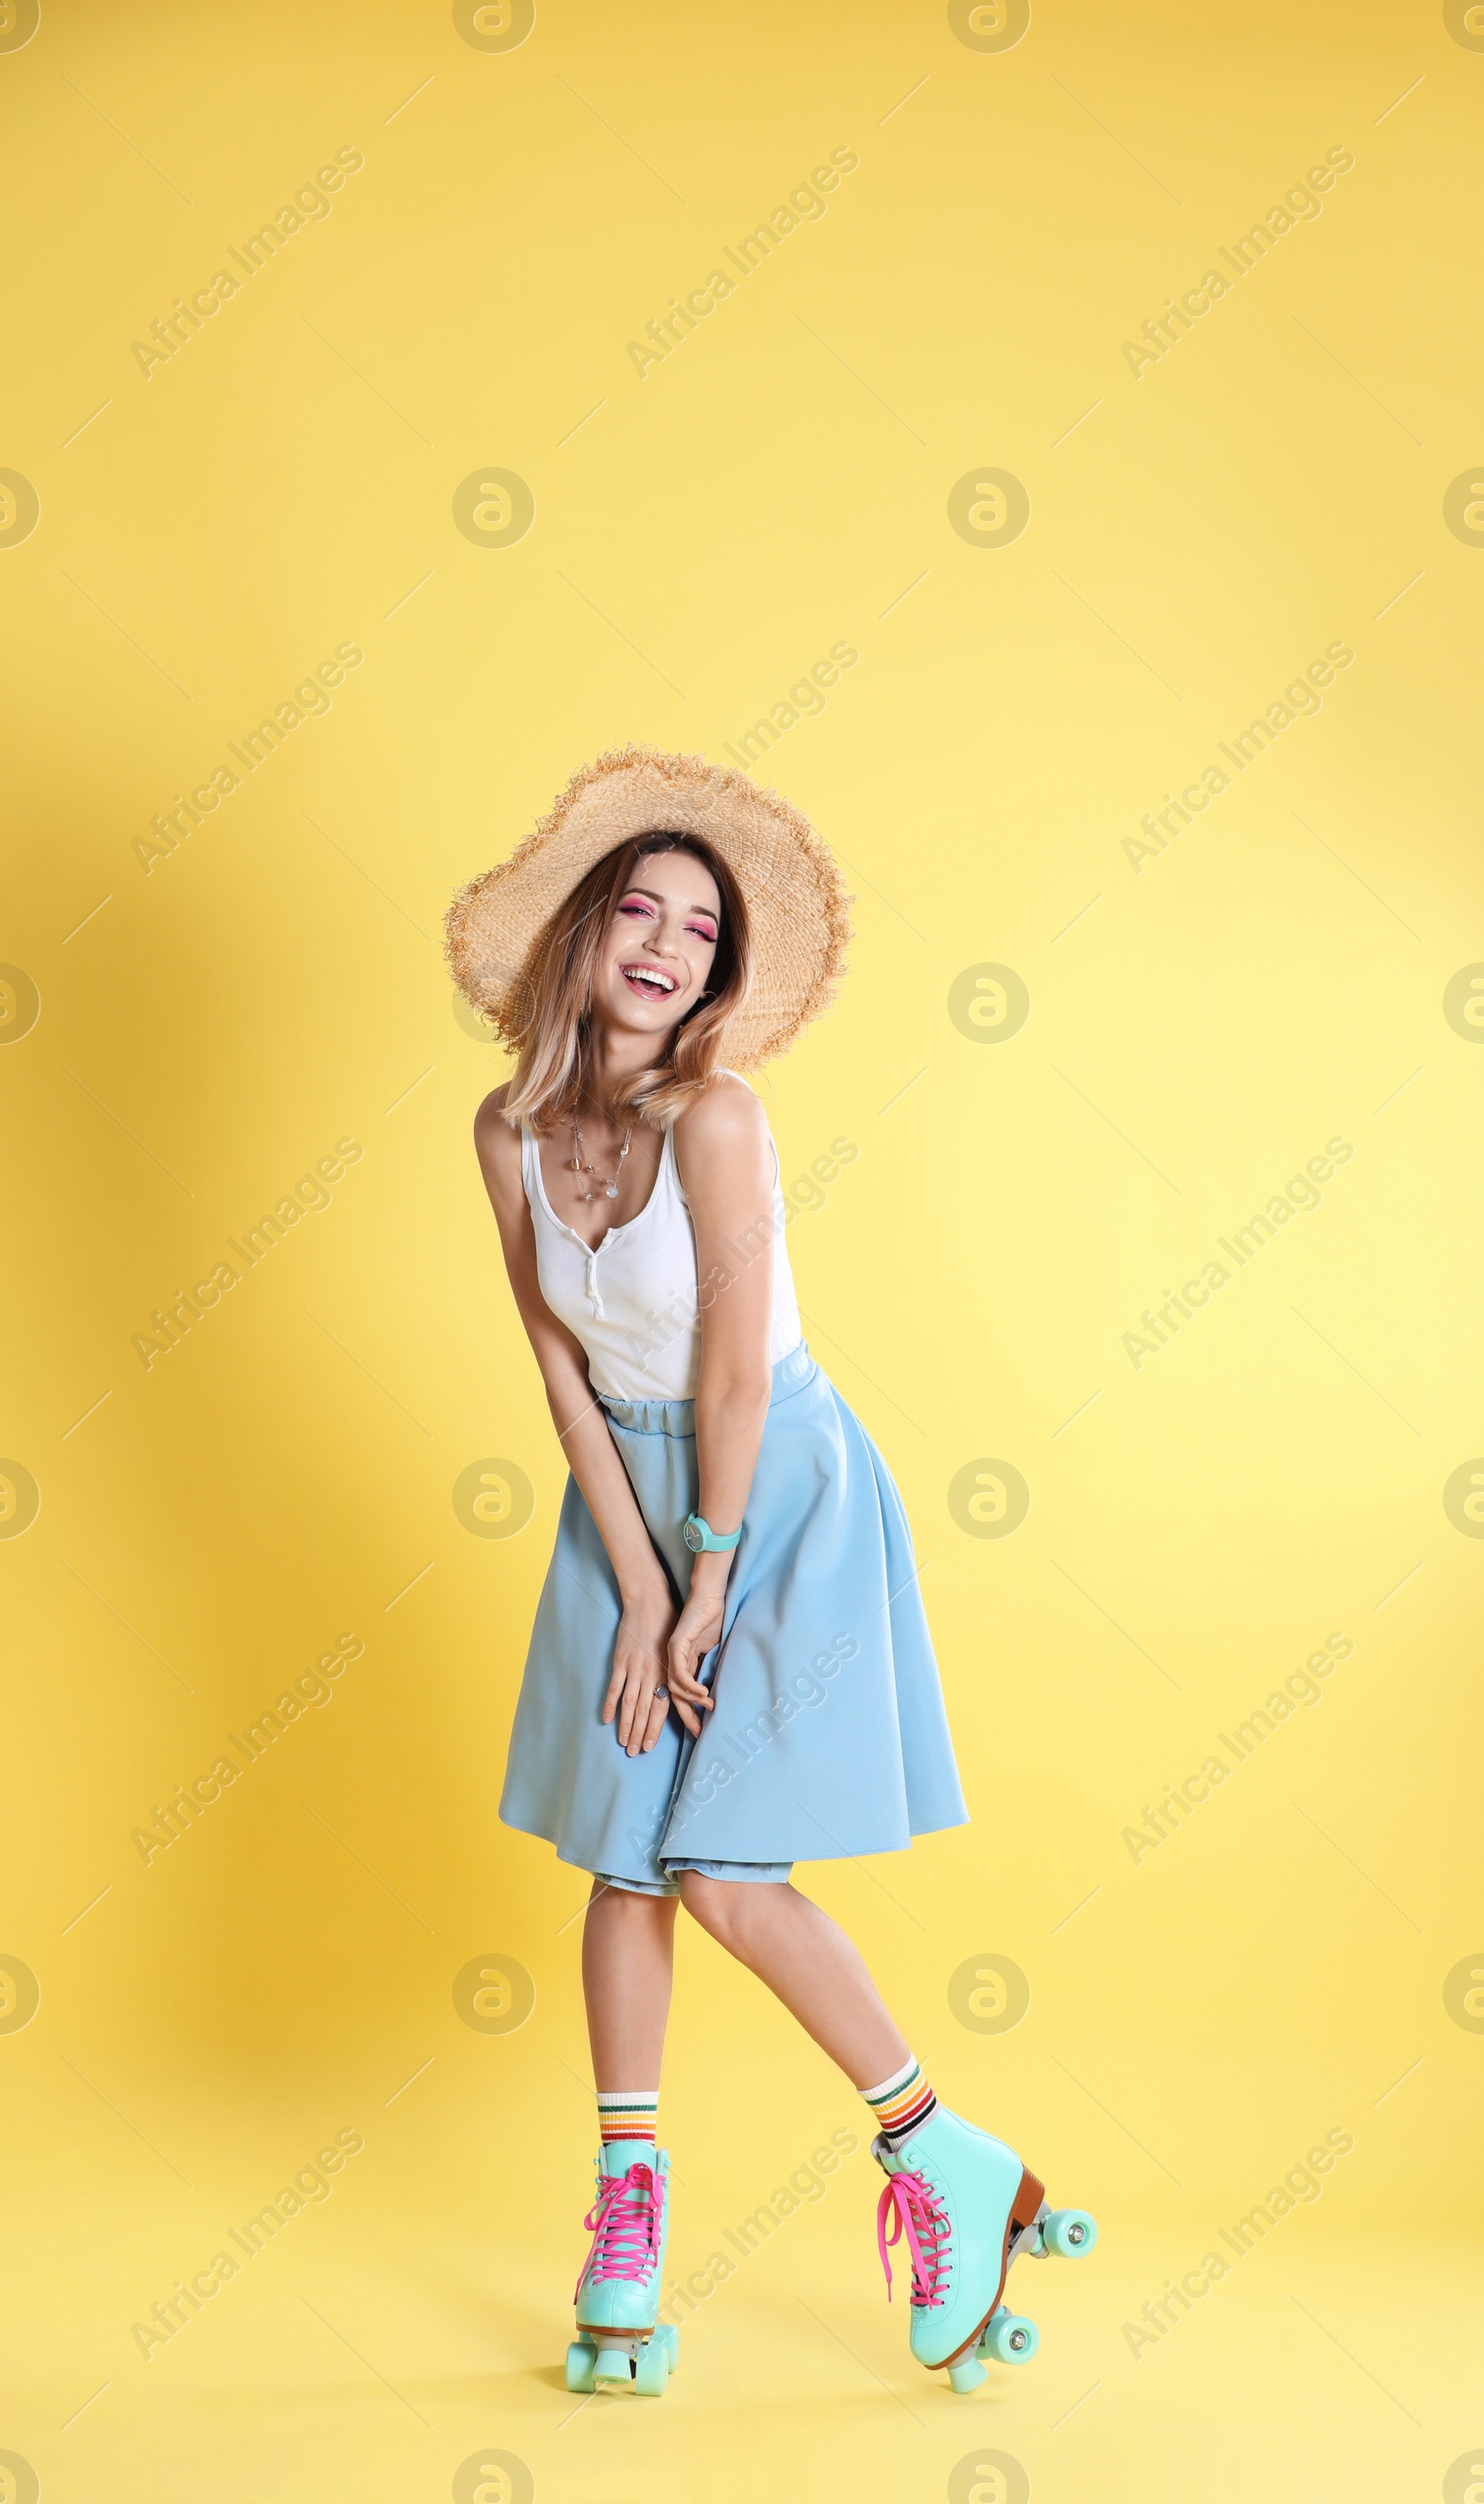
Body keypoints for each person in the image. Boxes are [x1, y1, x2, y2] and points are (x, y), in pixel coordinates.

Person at [446, 748, 1094, 2398]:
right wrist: (639, 1579)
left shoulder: (719, 1116)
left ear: (720, 977)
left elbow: (732, 1377)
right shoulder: (507, 1130)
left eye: (702, 931)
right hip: (624, 1505)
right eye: (641, 911)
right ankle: (628, 2231)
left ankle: (935, 2152)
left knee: (725, 1871)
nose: (669, 945)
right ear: (586, 935)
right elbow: (559, 1370)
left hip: (775, 1494)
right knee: (621, 1862)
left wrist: (710, 1576)